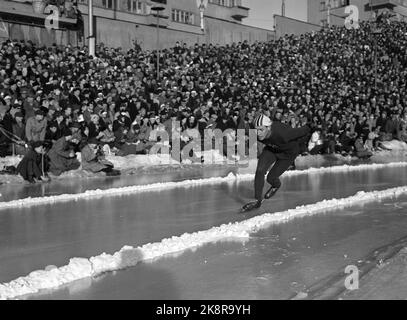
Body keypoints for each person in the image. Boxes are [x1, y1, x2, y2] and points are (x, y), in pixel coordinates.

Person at [241, 114, 310, 212]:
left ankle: (276, 185)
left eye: (261, 130)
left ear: (268, 128)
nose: (258, 133)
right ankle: (257, 201)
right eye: (256, 130)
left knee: (271, 178)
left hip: (287, 154)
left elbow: (304, 130)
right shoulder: (255, 132)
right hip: (272, 149)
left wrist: (311, 126)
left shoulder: (284, 133)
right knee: (260, 170)